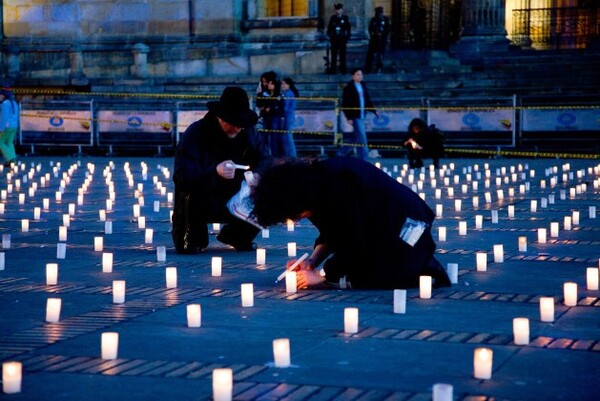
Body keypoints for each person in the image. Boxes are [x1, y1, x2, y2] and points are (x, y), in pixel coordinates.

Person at [251, 157, 451, 290]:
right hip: (378, 225)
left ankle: (429, 270)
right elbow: (332, 231)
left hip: (411, 222)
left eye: (293, 216)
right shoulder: (312, 187)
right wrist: (312, 261)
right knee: (360, 266)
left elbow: (354, 238)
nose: (294, 220)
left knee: (387, 269)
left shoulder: (338, 185)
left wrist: (322, 275)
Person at [172, 87, 271, 253]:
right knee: (188, 243)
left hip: (238, 196)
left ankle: (237, 235)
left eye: (241, 124)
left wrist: (259, 174)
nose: (237, 128)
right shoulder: (196, 133)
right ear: (220, 117)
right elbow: (182, 177)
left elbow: (266, 161)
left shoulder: (249, 133)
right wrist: (214, 172)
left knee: (271, 192)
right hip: (202, 196)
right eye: (233, 123)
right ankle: (193, 238)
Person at [338, 68, 377, 160]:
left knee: (356, 137)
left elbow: (367, 100)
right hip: (355, 115)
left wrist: (374, 110)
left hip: (362, 114)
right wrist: (349, 117)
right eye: (358, 74)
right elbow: (346, 103)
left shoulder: (363, 85)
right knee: (362, 138)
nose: (360, 76)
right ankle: (364, 158)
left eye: (361, 75)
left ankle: (341, 152)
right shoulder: (349, 88)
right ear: (353, 76)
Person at [273, 77, 298, 158]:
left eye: (284, 84)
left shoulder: (288, 93)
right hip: (288, 116)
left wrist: (280, 112)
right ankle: (288, 155)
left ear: (289, 85)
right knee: (286, 137)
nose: (282, 85)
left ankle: (291, 155)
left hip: (287, 117)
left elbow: (285, 107)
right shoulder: (287, 93)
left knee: (287, 137)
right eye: (282, 84)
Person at [364, 7, 391, 74]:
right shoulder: (373, 20)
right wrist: (374, 33)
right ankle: (368, 68)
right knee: (371, 54)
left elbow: (388, 29)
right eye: (378, 13)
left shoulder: (385, 19)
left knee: (380, 55)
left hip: (382, 40)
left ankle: (379, 67)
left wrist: (383, 34)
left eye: (381, 12)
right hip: (374, 40)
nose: (380, 14)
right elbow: (370, 28)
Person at [326, 3, 351, 74]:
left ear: (342, 10)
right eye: (336, 10)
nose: (337, 11)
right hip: (334, 40)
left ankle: (343, 70)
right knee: (333, 55)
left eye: (339, 9)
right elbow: (329, 28)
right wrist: (330, 35)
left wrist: (347, 37)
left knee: (342, 55)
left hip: (342, 40)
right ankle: (333, 70)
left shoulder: (345, 18)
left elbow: (348, 29)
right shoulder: (333, 18)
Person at [0, 86, 19, 167]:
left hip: (7, 127)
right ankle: (13, 159)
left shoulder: (4, 104)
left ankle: (9, 159)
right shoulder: (14, 103)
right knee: (9, 142)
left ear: (4, 95)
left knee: (1, 142)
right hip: (14, 126)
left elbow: (4, 117)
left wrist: (1, 128)